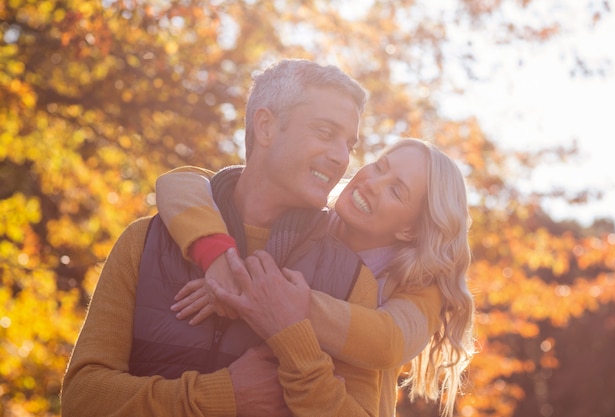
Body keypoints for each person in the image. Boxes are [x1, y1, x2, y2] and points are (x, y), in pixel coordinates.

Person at [61, 58, 381, 417]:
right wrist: (218, 397)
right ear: (266, 127)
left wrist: (294, 341)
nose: (341, 158)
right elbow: (80, 401)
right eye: (325, 133)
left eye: (349, 146)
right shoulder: (146, 241)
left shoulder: (353, 280)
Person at [156, 138, 476, 417]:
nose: (371, 183)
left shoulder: (418, 284)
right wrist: (220, 262)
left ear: (410, 229)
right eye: (379, 167)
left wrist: (273, 298)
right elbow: (179, 184)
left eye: (396, 190)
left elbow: (389, 340)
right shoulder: (303, 219)